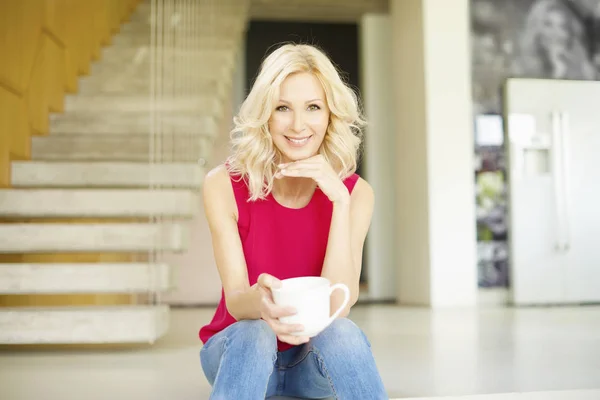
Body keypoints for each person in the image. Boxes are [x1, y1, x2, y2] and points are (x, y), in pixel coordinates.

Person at [198, 43, 387, 399]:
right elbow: (237, 301)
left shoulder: (356, 194)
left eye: (313, 107)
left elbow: (338, 306)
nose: (298, 125)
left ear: (330, 114)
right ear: (265, 115)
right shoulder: (223, 185)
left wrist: (340, 203)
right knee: (256, 332)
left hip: (309, 364)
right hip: (240, 352)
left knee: (343, 332)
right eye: (283, 108)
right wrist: (261, 301)